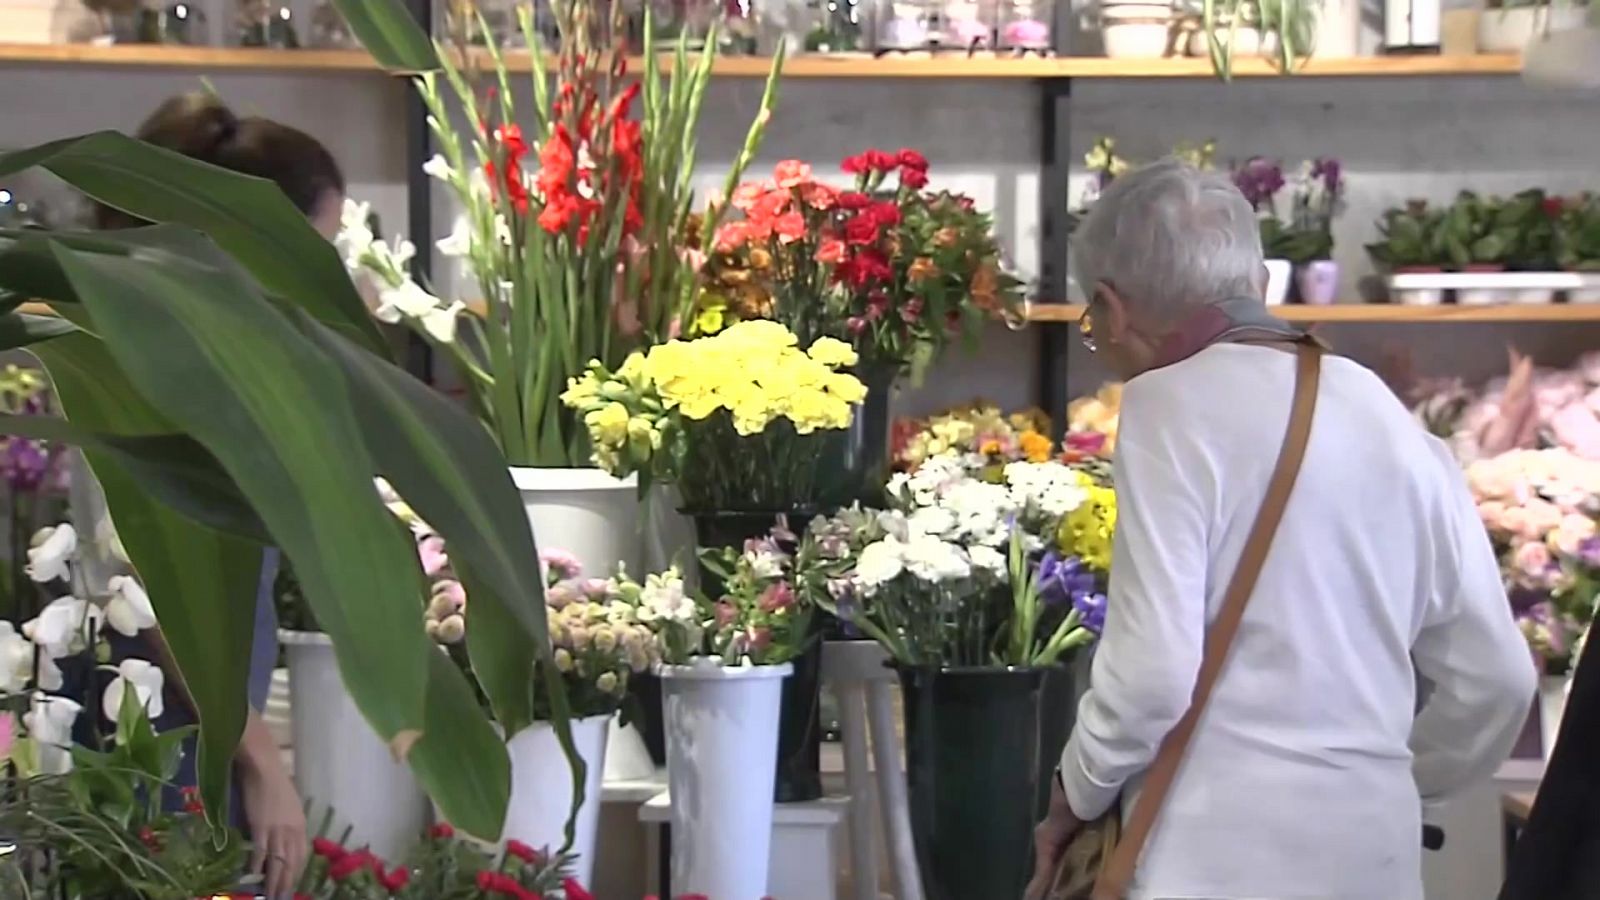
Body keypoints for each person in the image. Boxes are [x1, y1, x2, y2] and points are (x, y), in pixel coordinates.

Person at [1026, 160, 1536, 900]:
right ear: (1258, 283)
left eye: (1093, 324)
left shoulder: (1166, 409)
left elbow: (1152, 676)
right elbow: (1499, 676)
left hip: (1210, 856)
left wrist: (1075, 790)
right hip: (1374, 855)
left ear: (1113, 307)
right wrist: (1391, 777)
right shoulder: (1387, 415)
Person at [80, 92, 345, 898]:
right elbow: (154, 590)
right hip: (155, 738)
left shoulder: (193, 356)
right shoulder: (147, 367)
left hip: (209, 730)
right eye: (318, 250)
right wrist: (264, 765)